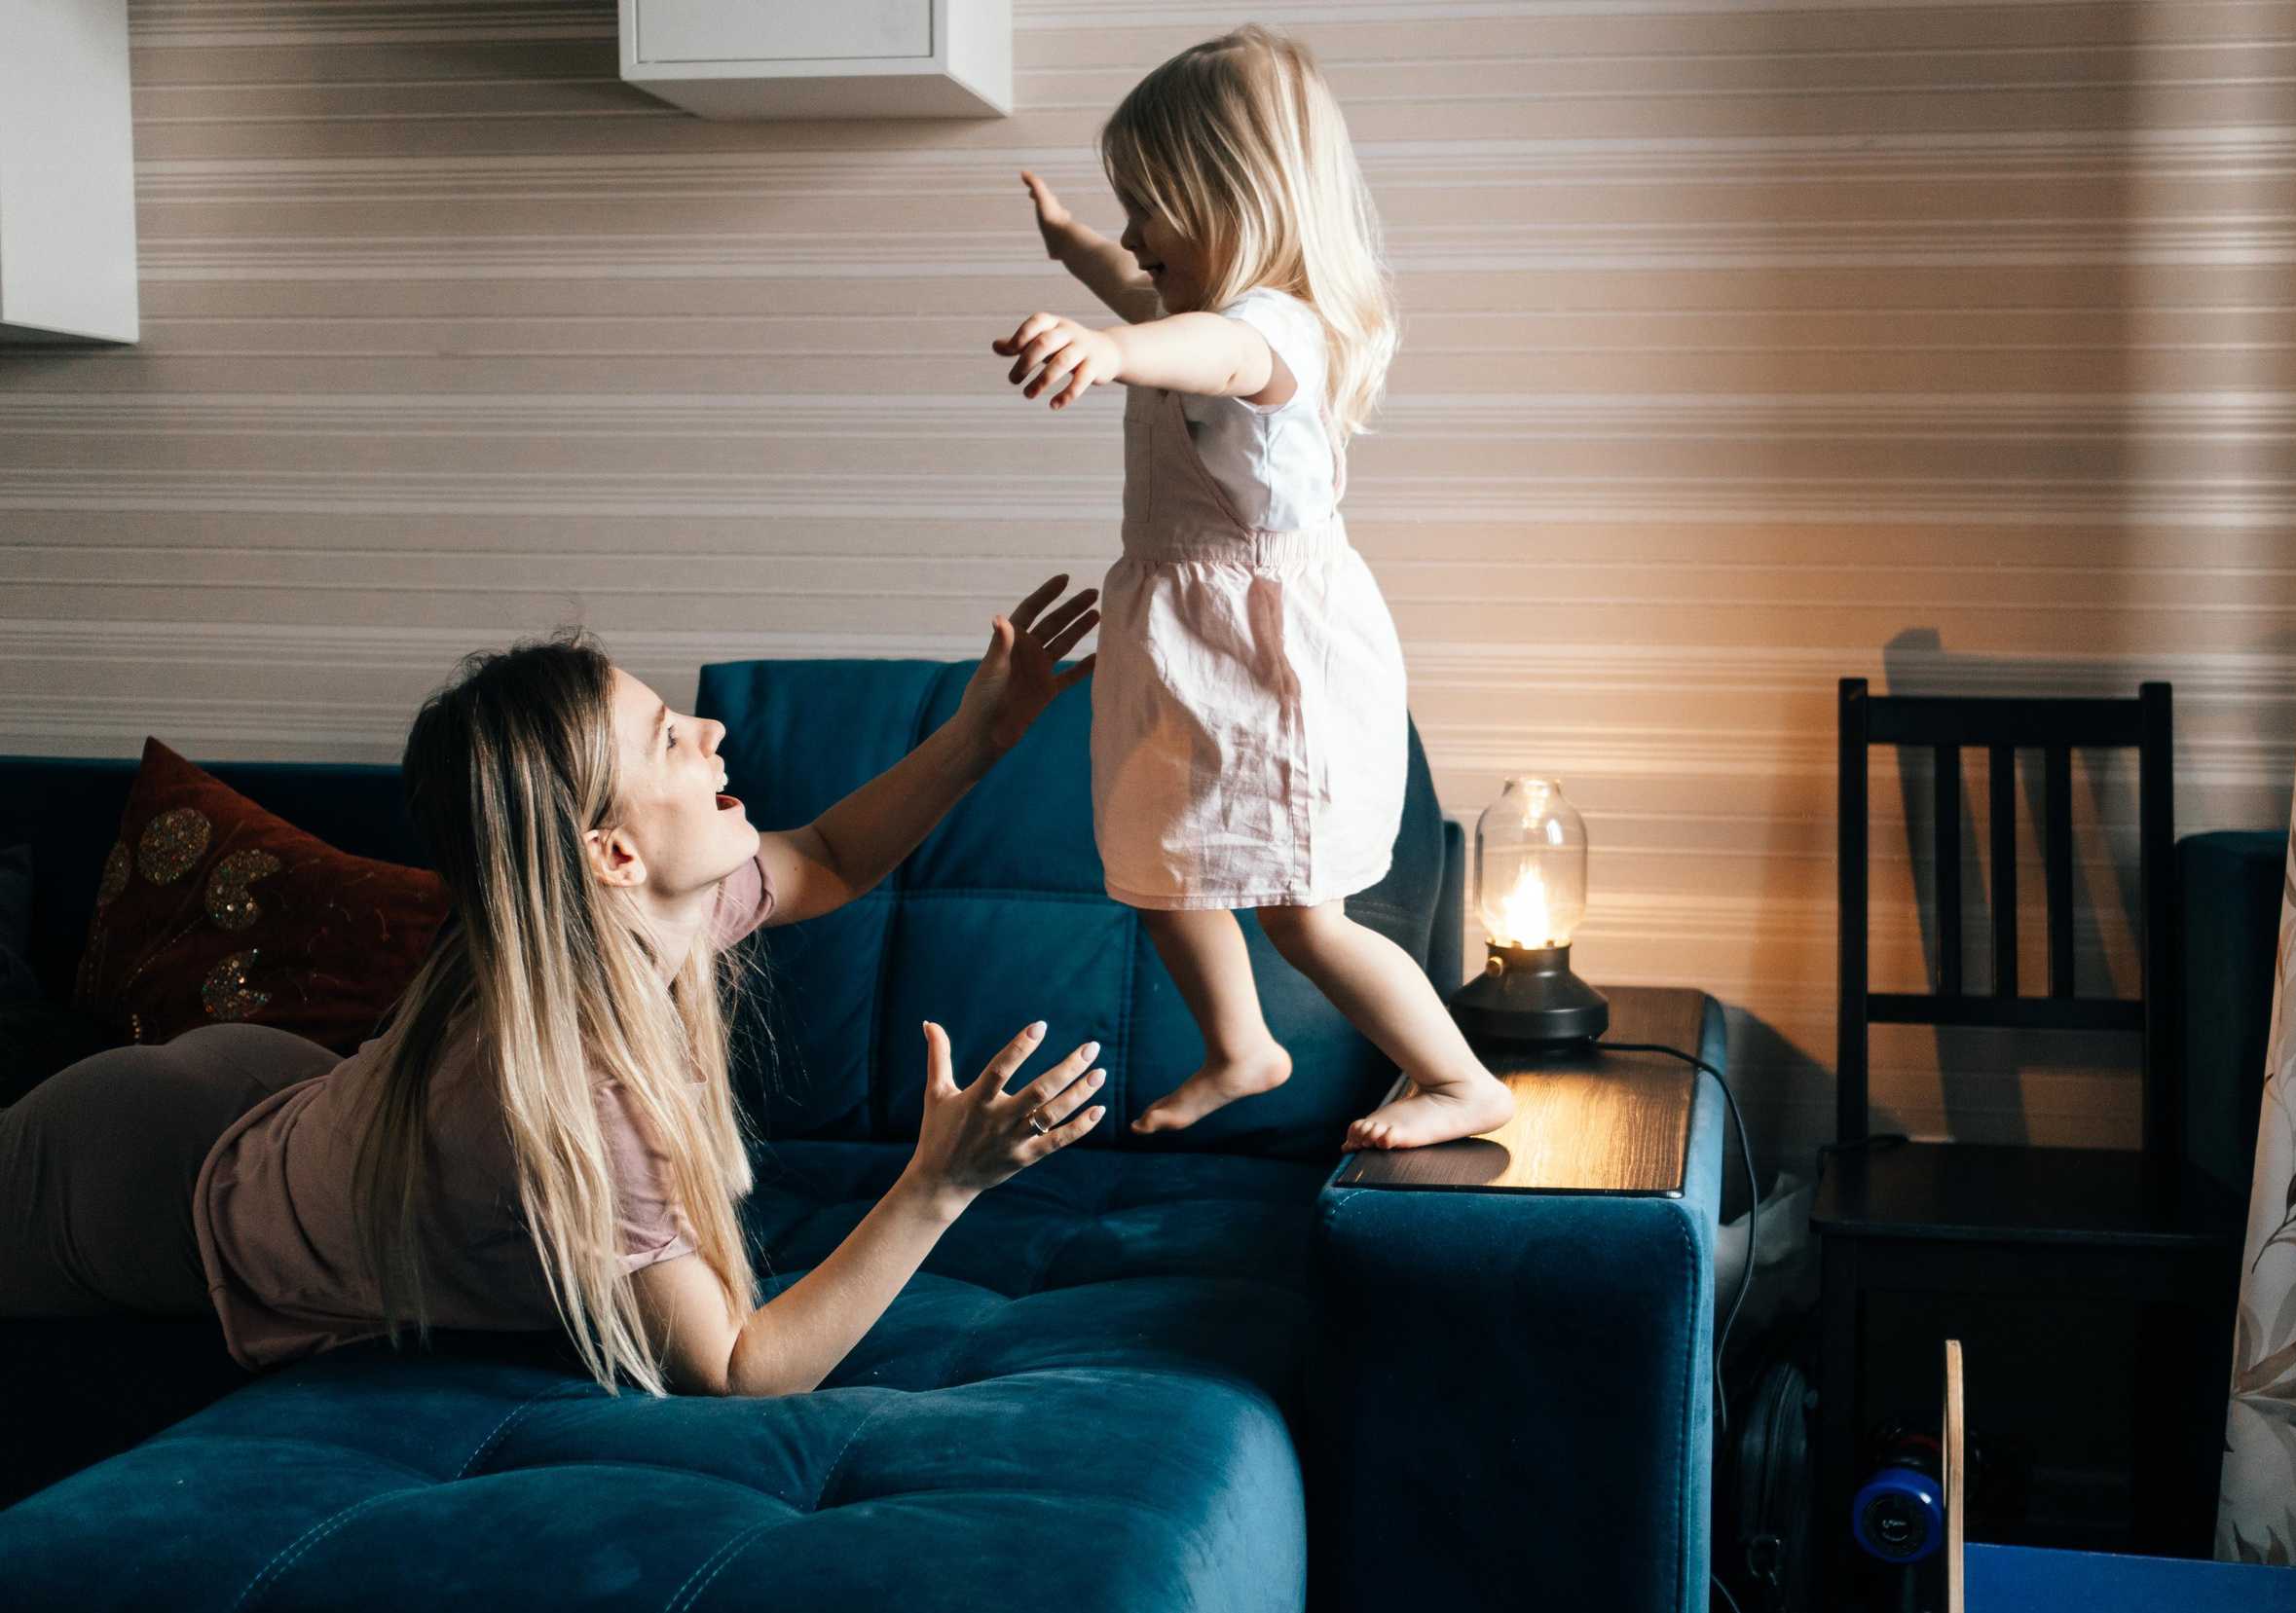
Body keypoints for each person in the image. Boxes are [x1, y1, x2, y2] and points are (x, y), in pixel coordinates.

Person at [0, 580, 1108, 1398]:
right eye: (674, 738)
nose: (714, 731)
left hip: (269, 1097)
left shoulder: (639, 917)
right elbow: (735, 1368)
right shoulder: (583, 1090)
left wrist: (978, 737)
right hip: (139, 1181)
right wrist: (938, 1185)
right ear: (613, 854)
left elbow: (829, 852)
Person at [996, 25, 1512, 1151]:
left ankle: (1461, 1078)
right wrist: (1075, 244)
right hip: (1186, 648)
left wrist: (1104, 348)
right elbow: (1144, 295)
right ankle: (1244, 1051)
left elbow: (1205, 354)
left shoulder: (1269, 332)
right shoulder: (1185, 308)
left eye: (1147, 207)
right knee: (1164, 867)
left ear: (1235, 200)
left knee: (1301, 916)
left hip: (1266, 663)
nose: (1133, 236)